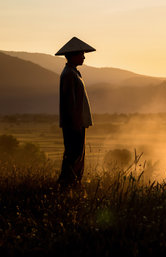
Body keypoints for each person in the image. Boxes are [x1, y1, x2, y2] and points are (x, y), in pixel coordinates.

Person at [55, 37, 95, 188]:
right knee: (73, 155)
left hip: (77, 122)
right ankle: (67, 184)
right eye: (82, 54)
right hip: (74, 123)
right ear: (73, 55)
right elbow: (70, 103)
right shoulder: (68, 75)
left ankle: (73, 184)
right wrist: (76, 122)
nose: (84, 57)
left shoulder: (73, 73)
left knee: (77, 154)